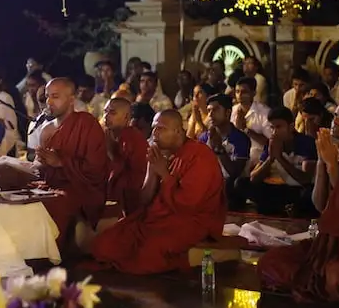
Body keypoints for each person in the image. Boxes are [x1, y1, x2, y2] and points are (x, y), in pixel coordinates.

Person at [258, 102, 339, 302]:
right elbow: (319, 204)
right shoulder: (333, 153)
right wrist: (323, 161)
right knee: (270, 261)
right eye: (336, 117)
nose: (337, 122)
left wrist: (332, 165)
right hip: (326, 244)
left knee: (336, 278)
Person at [90, 109, 226, 274]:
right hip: (156, 219)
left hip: (192, 221)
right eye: (154, 128)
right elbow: (145, 199)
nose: (154, 133)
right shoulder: (159, 153)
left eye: (161, 128)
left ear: (177, 131)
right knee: (104, 243)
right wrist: (153, 171)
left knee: (146, 253)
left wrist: (164, 174)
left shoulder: (200, 156)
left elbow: (189, 205)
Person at [34, 78, 109, 252]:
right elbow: (43, 171)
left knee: (55, 205)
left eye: (55, 96)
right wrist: (39, 164)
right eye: (47, 97)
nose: (49, 102)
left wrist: (60, 162)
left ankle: (54, 257)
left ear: (71, 99)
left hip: (81, 188)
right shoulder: (47, 130)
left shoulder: (87, 124)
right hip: (50, 186)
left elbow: (96, 169)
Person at [241, 107, 317, 216]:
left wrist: (280, 158)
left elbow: (305, 180)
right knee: (241, 183)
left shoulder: (307, 143)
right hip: (279, 189)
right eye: (272, 127)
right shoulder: (271, 143)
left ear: (290, 127)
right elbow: (254, 178)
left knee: (308, 194)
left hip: (298, 189)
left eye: (278, 127)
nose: (274, 132)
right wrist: (270, 159)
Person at [199, 93, 250, 208]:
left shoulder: (240, 138)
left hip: (230, 188)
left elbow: (234, 172)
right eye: (209, 110)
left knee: (232, 184)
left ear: (228, 113)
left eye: (216, 110)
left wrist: (219, 148)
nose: (211, 115)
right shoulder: (204, 138)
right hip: (209, 184)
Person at [103, 98, 148, 216]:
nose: (106, 116)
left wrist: (111, 152)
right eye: (105, 112)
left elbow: (134, 172)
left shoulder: (132, 137)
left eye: (112, 113)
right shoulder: (108, 134)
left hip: (132, 194)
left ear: (126, 117)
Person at [231, 76, 271, 168]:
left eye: (244, 92)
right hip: (235, 156)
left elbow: (270, 142)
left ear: (253, 93)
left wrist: (245, 129)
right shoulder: (232, 111)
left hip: (258, 159)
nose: (240, 95)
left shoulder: (265, 112)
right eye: (237, 91)